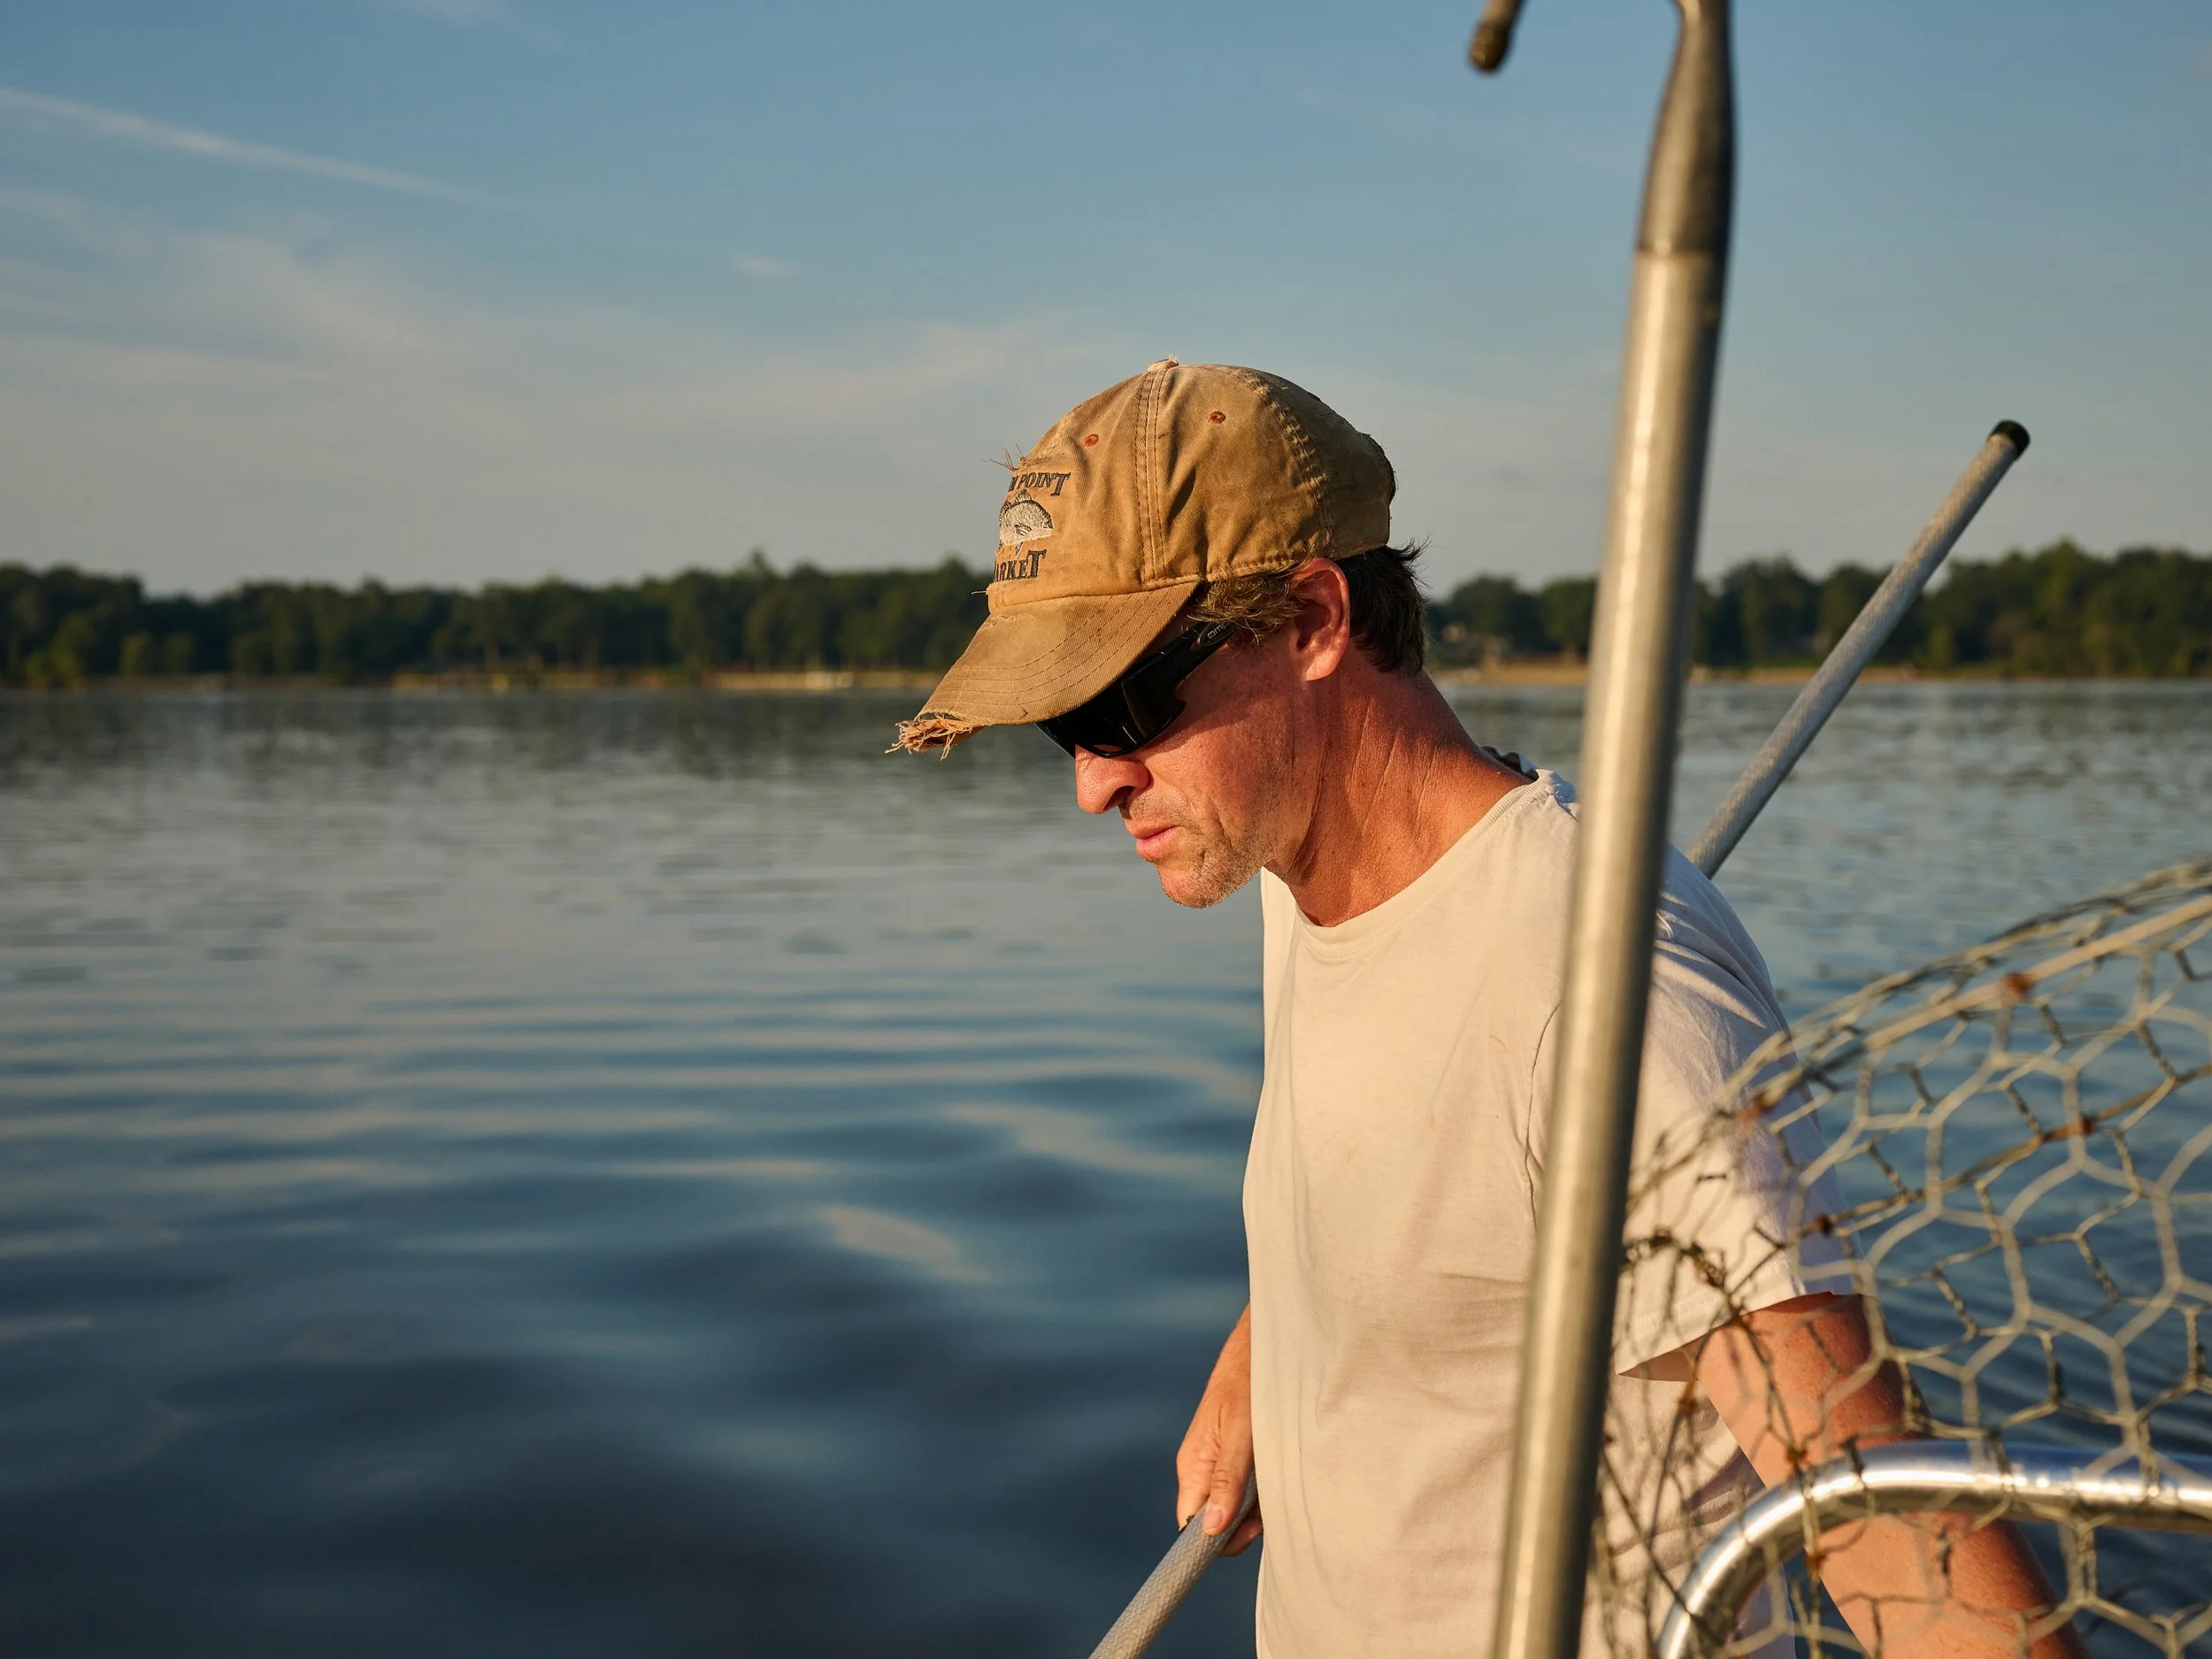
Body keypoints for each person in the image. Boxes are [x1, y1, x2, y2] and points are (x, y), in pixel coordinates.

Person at [899, 359, 2079, 1659]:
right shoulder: (1300, 864)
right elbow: (1425, 1185)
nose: (1093, 784)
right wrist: (1271, 1348)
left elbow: (1873, 1511)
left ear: (1310, 616)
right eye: (1061, 726)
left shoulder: (1598, 992)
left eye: (1121, 705)